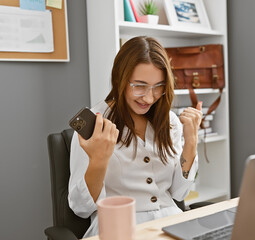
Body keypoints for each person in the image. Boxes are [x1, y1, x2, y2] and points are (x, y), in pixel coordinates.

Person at [68, 36, 203, 237]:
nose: (149, 97)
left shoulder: (170, 121)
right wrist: (99, 160)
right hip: (117, 228)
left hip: (170, 223)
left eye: (158, 86)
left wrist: (191, 142)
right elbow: (81, 208)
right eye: (139, 86)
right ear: (120, 78)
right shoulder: (96, 124)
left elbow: (179, 193)